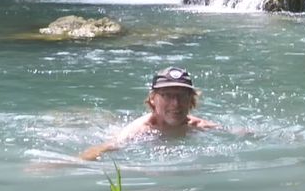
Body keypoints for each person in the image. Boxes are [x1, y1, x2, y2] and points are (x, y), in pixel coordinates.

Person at [79, 66, 219, 161]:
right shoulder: (138, 132)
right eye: (167, 96)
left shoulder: (199, 126)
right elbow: (102, 149)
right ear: (153, 98)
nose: (176, 103)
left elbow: (235, 132)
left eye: (181, 96)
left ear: (190, 99)